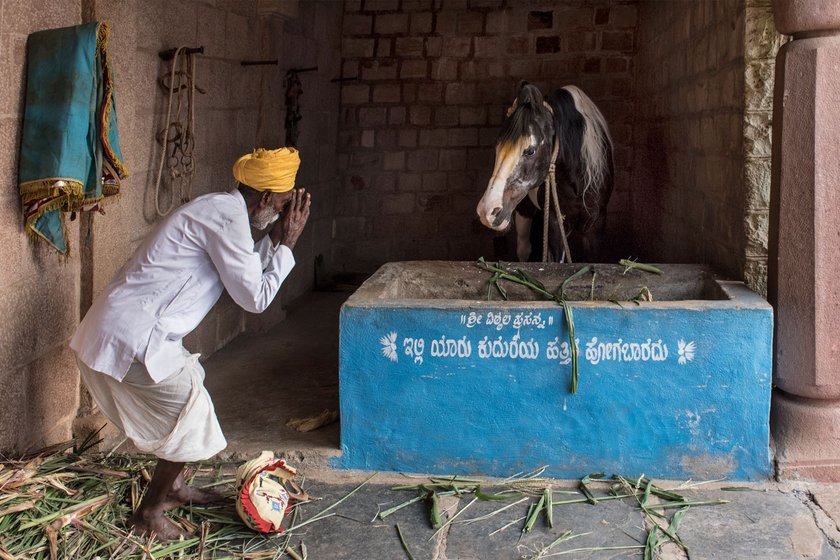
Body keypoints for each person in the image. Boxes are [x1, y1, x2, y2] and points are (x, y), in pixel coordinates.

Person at [70, 147, 311, 539]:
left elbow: (246, 271)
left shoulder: (223, 212)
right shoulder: (226, 219)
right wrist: (287, 244)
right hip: (132, 334)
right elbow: (256, 298)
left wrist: (276, 244)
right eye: (283, 205)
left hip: (138, 330)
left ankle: (175, 488)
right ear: (265, 197)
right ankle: (148, 513)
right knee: (191, 412)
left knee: (192, 382)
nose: (283, 214)